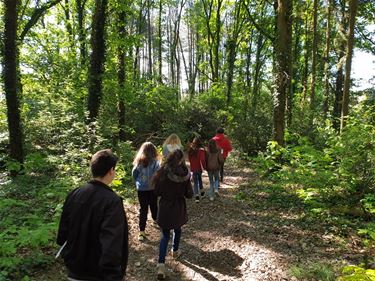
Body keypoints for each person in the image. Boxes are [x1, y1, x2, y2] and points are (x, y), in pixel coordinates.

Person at [56, 149, 129, 281]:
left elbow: (62, 236)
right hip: (98, 274)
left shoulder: (74, 194)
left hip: (74, 271)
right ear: (111, 170)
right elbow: (112, 242)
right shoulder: (112, 201)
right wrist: (113, 275)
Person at [152, 149, 193, 280]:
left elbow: (156, 191)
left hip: (165, 207)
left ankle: (161, 265)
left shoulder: (163, 171)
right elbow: (190, 194)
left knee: (164, 235)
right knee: (178, 228)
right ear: (181, 160)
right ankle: (175, 251)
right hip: (178, 206)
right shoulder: (185, 173)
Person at [132, 142, 160, 241]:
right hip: (153, 188)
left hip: (141, 189)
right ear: (154, 151)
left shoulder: (139, 162)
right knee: (154, 205)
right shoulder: (156, 162)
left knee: (143, 209)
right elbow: (158, 174)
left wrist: (138, 182)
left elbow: (134, 174)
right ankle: (155, 219)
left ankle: (142, 231)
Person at [188, 136, 206, 203]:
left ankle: (197, 196)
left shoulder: (190, 150)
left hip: (193, 167)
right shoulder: (201, 150)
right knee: (199, 179)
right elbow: (203, 159)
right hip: (199, 168)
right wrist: (204, 167)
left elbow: (189, 159)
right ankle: (201, 193)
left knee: (196, 182)